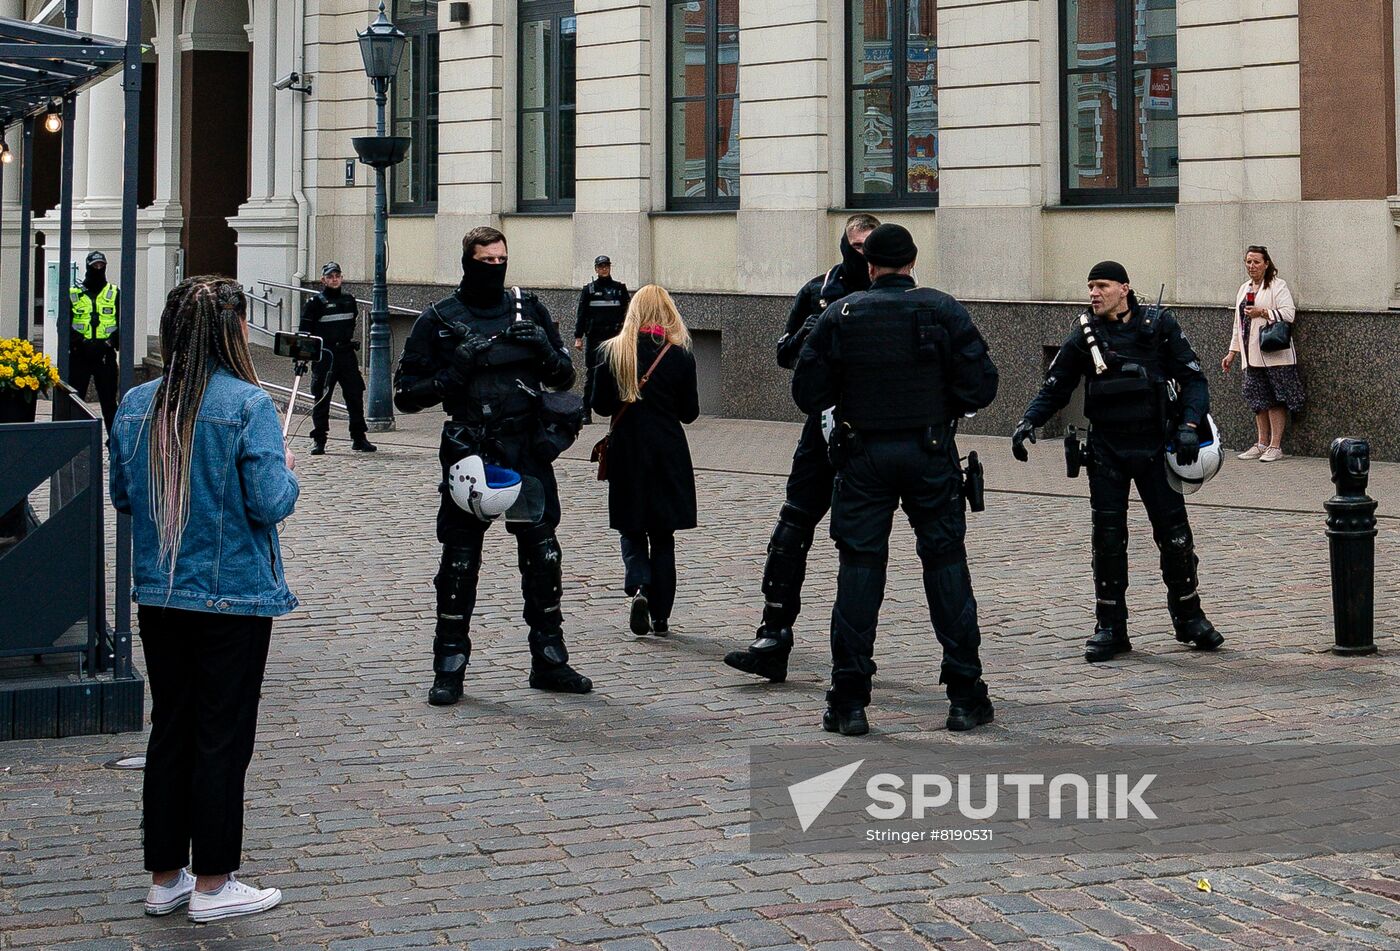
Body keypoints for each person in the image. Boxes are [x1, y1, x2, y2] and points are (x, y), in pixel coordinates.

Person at [109, 276, 297, 922]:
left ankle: (166, 874)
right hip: (233, 594)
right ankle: (215, 880)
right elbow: (269, 502)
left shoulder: (137, 403)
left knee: (172, 729)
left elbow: (126, 496)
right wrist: (288, 470)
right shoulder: (247, 406)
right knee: (222, 735)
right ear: (234, 331)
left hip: (160, 591)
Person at [792, 223, 999, 736]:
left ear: (869, 266)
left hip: (862, 456)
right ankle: (965, 694)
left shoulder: (841, 314)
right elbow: (981, 387)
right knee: (946, 565)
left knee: (859, 571)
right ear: (911, 263)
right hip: (929, 453)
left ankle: (849, 699)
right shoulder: (943, 309)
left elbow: (807, 391)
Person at [395, 226, 593, 705]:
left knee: (543, 555)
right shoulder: (439, 319)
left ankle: (549, 659)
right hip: (470, 451)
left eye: (501, 259)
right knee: (460, 562)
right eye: (486, 260)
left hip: (525, 450)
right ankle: (449, 665)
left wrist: (546, 350)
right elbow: (405, 396)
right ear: (468, 261)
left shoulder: (528, 307)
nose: (495, 267)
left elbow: (565, 375)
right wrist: (453, 371)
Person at [1012, 261, 1224, 663]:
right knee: (1108, 540)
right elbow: (1056, 386)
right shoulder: (1085, 333)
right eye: (1090, 286)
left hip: (1155, 446)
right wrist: (1029, 421)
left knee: (1175, 536)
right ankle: (1110, 626)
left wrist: (1190, 425)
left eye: (1102, 285)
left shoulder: (1159, 325)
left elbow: (1195, 379)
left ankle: (1189, 617)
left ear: (1124, 288)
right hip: (1107, 448)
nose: (1093, 293)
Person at [723, 213, 880, 684]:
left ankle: (860, 656)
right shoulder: (818, 290)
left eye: (870, 247)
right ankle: (773, 634)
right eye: (855, 246)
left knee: (869, 543)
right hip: (824, 424)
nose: (863, 255)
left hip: (879, 429)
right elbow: (783, 353)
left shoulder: (900, 293)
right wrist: (807, 332)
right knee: (792, 526)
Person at [591, 285, 700, 637]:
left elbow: (602, 406)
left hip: (627, 449)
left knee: (631, 526)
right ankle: (662, 616)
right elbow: (690, 412)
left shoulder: (612, 351)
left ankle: (639, 586)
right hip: (668, 450)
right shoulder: (680, 353)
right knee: (663, 535)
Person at [1222, 245, 1303, 462]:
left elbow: (1289, 314)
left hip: (1274, 354)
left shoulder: (1278, 286)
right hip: (1251, 355)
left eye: (1256, 262)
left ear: (1266, 264)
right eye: (1248, 261)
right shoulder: (1244, 288)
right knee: (1258, 399)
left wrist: (1263, 312)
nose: (1252, 266)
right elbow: (1237, 324)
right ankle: (1261, 442)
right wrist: (1232, 352)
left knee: (1276, 398)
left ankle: (1275, 445)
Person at [298, 262, 375, 455]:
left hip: (346, 356)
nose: (334, 279)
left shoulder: (349, 300)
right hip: (325, 357)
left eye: (337, 276)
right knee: (322, 398)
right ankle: (319, 440)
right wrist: (301, 359)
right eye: (330, 276)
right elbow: (305, 333)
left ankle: (359, 437)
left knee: (355, 396)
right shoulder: (314, 303)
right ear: (323, 279)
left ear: (341, 278)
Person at [573, 255, 631, 424]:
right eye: (601, 266)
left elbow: (628, 314)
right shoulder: (589, 290)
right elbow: (581, 315)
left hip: (615, 338)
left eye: (606, 266)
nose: (604, 269)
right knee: (592, 374)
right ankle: (586, 411)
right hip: (595, 338)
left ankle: (620, 409)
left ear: (610, 267)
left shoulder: (620, 289)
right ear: (596, 269)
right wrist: (578, 336)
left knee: (618, 372)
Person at [69, 250, 120, 431]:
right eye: (94, 266)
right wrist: (78, 343)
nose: (98, 269)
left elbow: (121, 321)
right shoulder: (74, 293)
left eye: (101, 265)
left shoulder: (113, 292)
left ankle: (113, 441)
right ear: (87, 267)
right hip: (79, 356)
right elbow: (65, 323)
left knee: (109, 402)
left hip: (104, 356)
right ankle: (75, 437)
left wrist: (110, 343)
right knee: (75, 400)